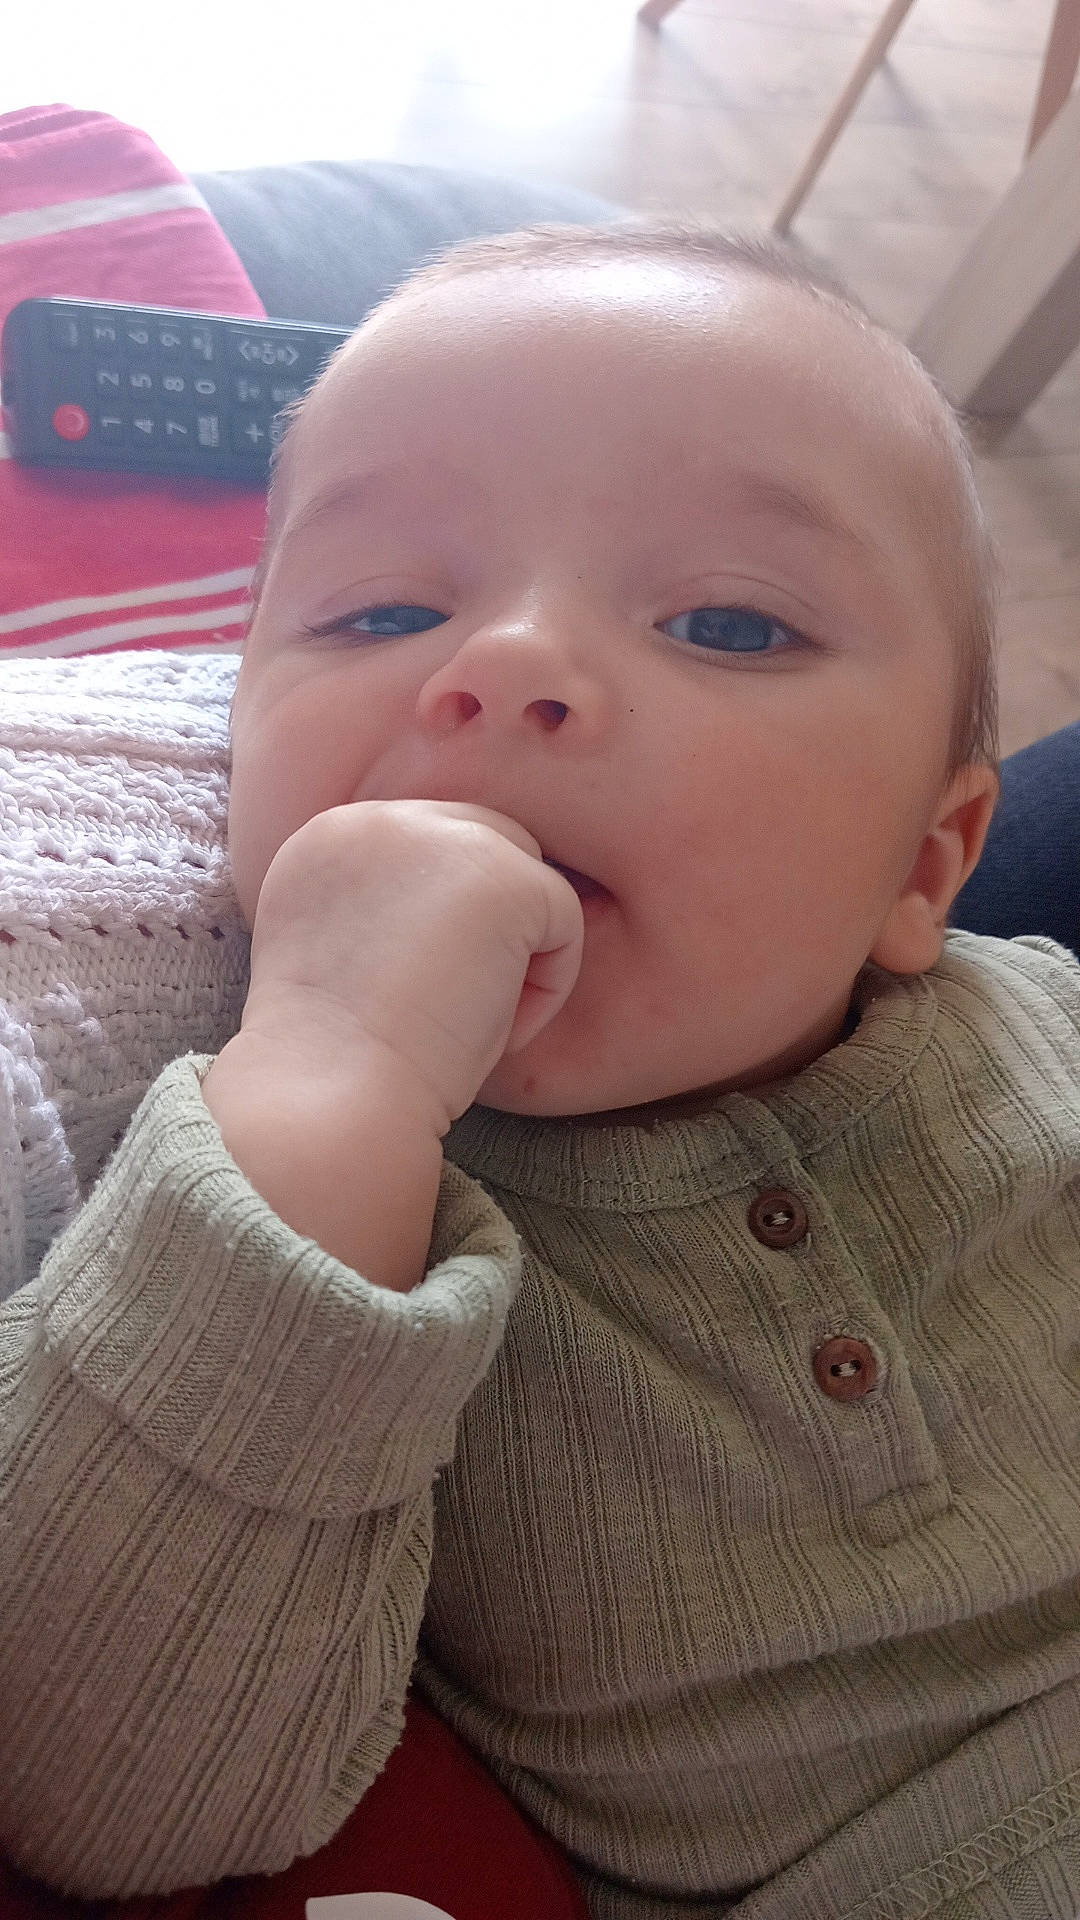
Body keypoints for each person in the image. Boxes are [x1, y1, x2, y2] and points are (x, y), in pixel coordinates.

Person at [2, 220, 1080, 1920]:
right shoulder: (292, 1213)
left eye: (727, 622)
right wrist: (328, 1078)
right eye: (382, 608)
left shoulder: (1052, 1032)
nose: (499, 666)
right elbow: (106, 1782)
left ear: (928, 871)